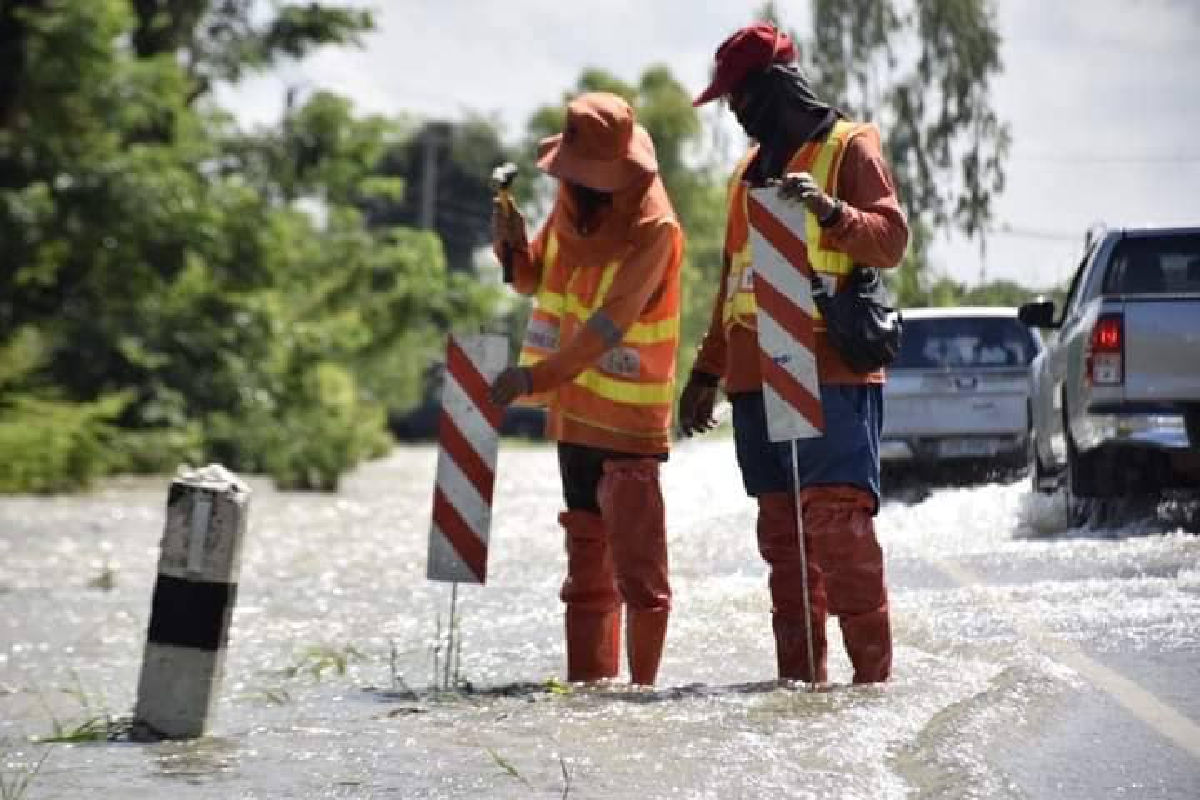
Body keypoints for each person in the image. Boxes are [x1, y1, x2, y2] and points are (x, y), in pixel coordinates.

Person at [680, 23, 909, 684]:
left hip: (829, 367)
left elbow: (889, 241)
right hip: (756, 380)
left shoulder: (849, 146)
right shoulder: (744, 177)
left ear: (774, 86)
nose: (732, 109)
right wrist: (706, 372)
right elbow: (732, 282)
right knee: (785, 541)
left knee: (836, 529)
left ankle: (872, 693)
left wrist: (833, 211)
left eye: (738, 95)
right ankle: (801, 695)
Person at [489, 92, 684, 687]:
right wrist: (511, 240)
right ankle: (588, 696)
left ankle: (641, 700)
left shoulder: (654, 229)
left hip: (628, 427)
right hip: (574, 418)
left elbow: (608, 327)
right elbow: (531, 280)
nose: (573, 186)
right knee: (585, 570)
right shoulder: (572, 212)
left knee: (640, 577)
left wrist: (531, 380)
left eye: (585, 177)